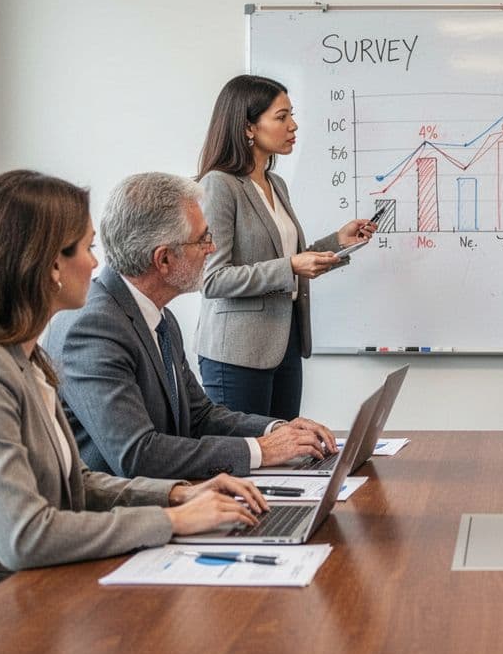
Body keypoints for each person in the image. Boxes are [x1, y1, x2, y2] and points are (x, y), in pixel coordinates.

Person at [0, 170, 267, 630]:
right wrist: (175, 521)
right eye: (87, 248)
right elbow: (25, 535)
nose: (96, 263)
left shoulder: (25, 358)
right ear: (48, 264)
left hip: (32, 591)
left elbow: (77, 485)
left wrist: (179, 493)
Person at [43, 172, 339, 480]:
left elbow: (200, 416)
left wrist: (278, 429)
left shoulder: (160, 317)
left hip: (174, 497)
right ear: (164, 259)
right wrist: (262, 450)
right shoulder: (92, 328)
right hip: (125, 512)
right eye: (203, 239)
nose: (212, 249)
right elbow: (138, 454)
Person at [195, 75, 375, 421]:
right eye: (281, 117)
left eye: (291, 115)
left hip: (285, 345)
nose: (293, 126)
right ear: (248, 127)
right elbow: (212, 280)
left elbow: (283, 255)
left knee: (285, 460)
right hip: (237, 354)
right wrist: (291, 266)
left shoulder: (274, 183)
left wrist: (338, 242)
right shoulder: (219, 185)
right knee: (248, 461)